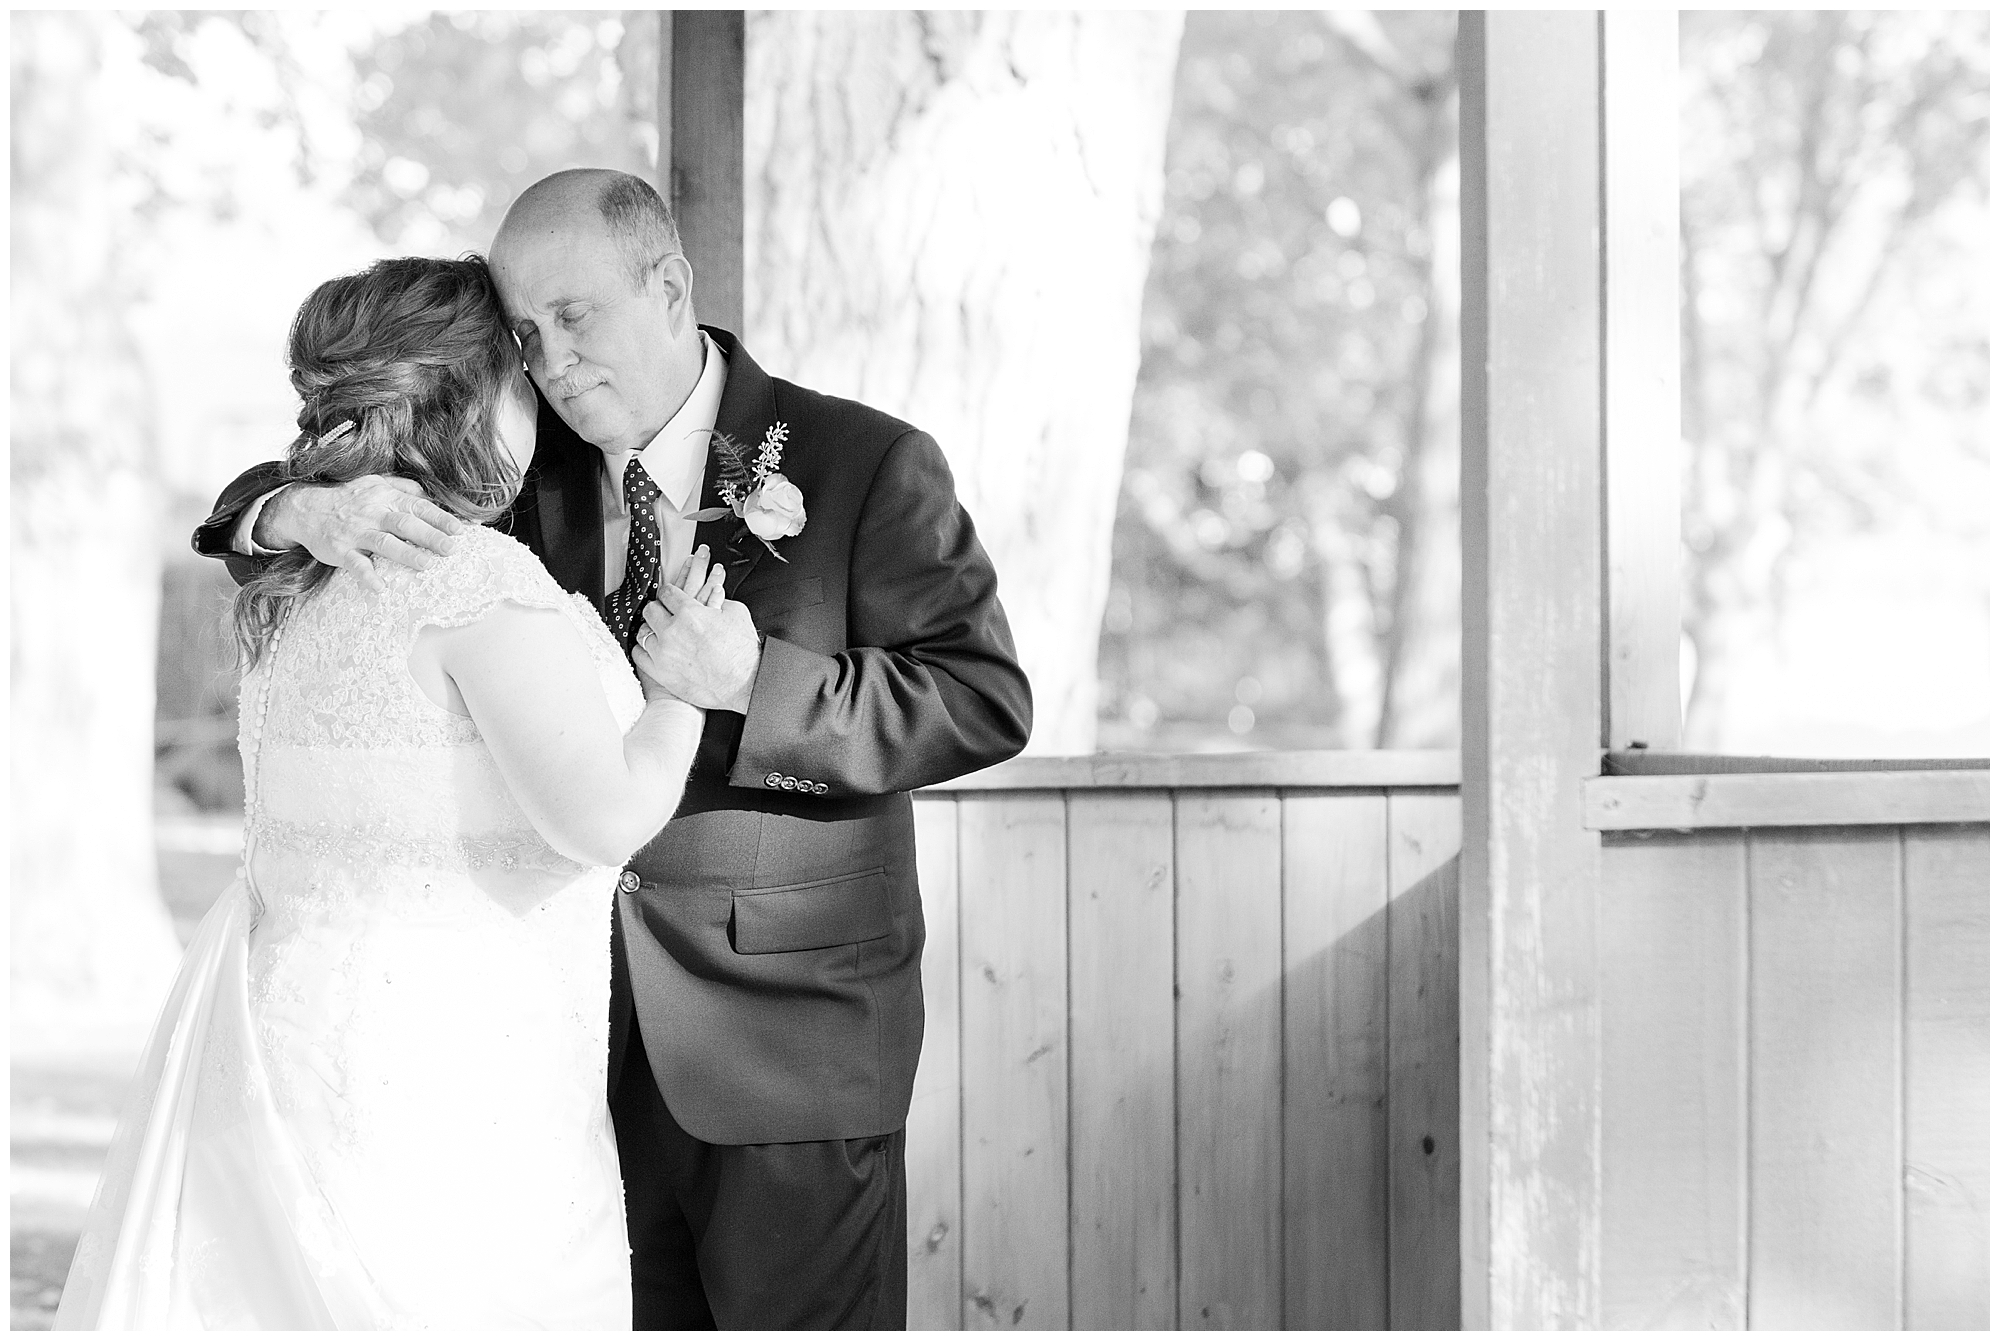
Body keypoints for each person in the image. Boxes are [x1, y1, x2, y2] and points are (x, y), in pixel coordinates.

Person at [189, 169, 1033, 1328]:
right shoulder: (507, 460)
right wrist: (284, 512)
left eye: (574, 318)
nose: (551, 361)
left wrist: (751, 686)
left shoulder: (862, 462)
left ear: (670, 285)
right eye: (525, 335)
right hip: (560, 1054)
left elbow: (981, 696)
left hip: (782, 1038)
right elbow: (310, 466)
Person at [57, 256, 717, 1328]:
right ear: (471, 393)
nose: (544, 384)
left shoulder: (297, 581)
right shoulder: (470, 576)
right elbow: (600, 818)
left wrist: (288, 516)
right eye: (519, 361)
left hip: (299, 1037)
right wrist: (686, 692)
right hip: (454, 1076)